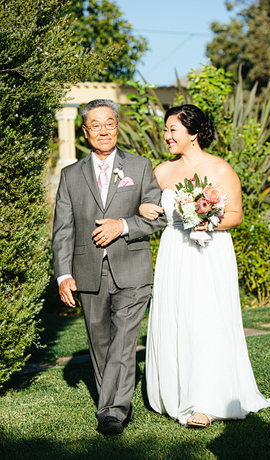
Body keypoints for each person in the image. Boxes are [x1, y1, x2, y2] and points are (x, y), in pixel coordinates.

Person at [142, 104, 270, 427]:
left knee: (207, 321)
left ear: (193, 134)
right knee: (177, 320)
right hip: (174, 252)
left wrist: (208, 223)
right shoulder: (162, 172)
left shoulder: (220, 170)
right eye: (165, 130)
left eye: (172, 130)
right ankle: (176, 393)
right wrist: (143, 206)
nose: (166, 136)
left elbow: (236, 214)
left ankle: (205, 402)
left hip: (209, 253)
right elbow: (143, 202)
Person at [52, 99, 166, 435]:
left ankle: (112, 412)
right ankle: (111, 404)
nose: (104, 130)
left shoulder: (141, 167)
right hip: (88, 273)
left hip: (132, 269)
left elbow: (157, 219)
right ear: (85, 131)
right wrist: (63, 274)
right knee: (99, 343)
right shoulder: (70, 175)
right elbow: (63, 229)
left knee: (123, 342)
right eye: (96, 125)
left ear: (118, 126)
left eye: (110, 123)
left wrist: (124, 225)